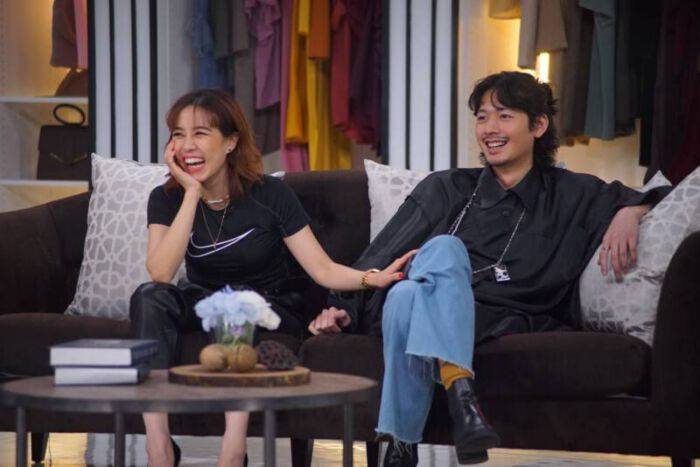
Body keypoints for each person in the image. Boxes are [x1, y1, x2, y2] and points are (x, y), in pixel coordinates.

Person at [307, 71, 672, 466]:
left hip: (495, 316)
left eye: (504, 116)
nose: (490, 129)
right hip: (419, 302)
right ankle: (462, 396)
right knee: (443, 251)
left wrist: (632, 212)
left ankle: (400, 446)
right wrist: (341, 308)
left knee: (408, 296)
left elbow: (663, 193)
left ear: (538, 125)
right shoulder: (447, 188)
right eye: (482, 117)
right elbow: (382, 255)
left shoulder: (572, 194)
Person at [129, 88, 414, 467]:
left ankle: (233, 450)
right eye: (178, 135)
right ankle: (159, 447)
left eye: (200, 133)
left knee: (236, 302)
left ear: (231, 142)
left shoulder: (270, 194)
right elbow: (161, 272)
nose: (187, 145)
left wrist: (370, 279)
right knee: (149, 295)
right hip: (204, 299)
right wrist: (192, 193)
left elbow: (322, 269)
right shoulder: (166, 198)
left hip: (270, 304)